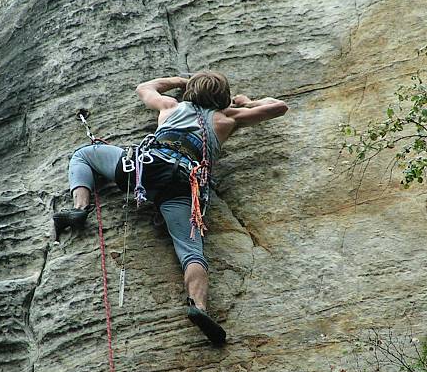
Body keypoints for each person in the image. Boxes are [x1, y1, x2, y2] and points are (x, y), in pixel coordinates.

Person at [53, 71, 288, 345]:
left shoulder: (171, 106)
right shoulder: (227, 118)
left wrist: (178, 81)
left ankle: (80, 208)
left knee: (84, 155)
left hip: (143, 168)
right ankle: (198, 307)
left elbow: (144, 87)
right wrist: (247, 103)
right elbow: (279, 107)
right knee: (191, 251)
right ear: (222, 97)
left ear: (191, 92)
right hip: (182, 183)